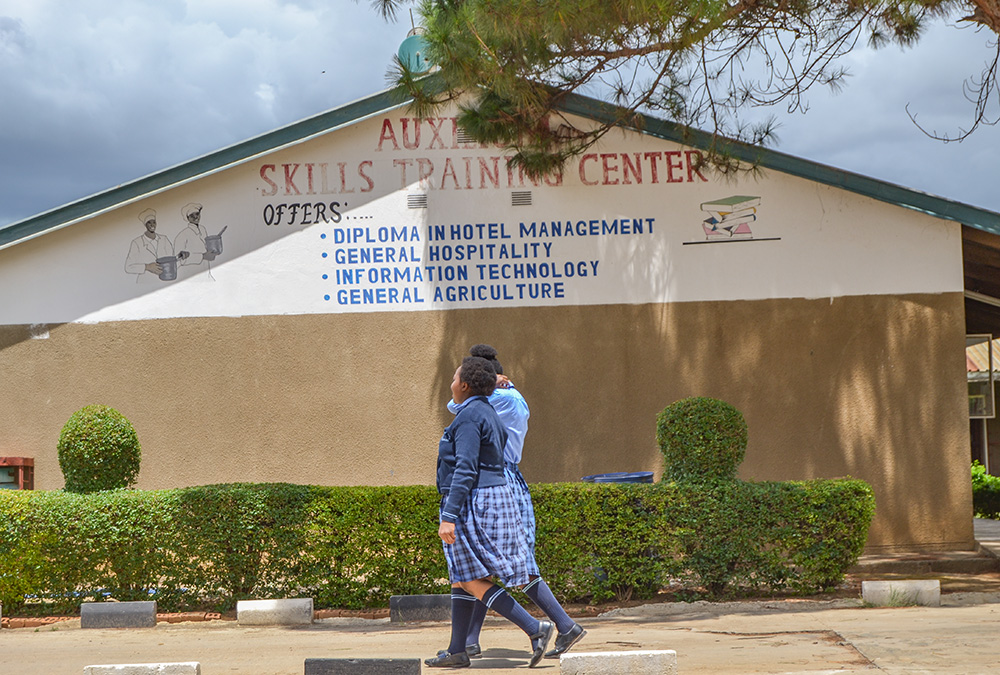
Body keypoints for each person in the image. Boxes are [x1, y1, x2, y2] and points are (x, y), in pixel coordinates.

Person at [448, 344, 586, 660]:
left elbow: (456, 407)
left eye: (464, 376)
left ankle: (562, 626)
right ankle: (468, 641)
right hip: (502, 479)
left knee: (511, 564)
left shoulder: (500, 398)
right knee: (482, 567)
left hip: (497, 481)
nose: (458, 382)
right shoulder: (508, 395)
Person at [425, 356, 554, 669]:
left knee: (471, 579)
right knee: (462, 576)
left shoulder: (469, 417)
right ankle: (457, 649)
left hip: (474, 502)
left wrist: (449, 515)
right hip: (494, 496)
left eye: (455, 378)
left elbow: (466, 469)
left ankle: (534, 629)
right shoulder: (487, 412)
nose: (452, 383)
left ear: (465, 385)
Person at [124, 208, 187, 283]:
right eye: (149, 223)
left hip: (165, 281)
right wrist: (147, 267)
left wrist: (180, 257)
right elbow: (128, 267)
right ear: (145, 225)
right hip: (146, 283)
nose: (152, 225)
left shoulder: (164, 239)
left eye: (154, 222)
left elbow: (170, 260)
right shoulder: (137, 242)